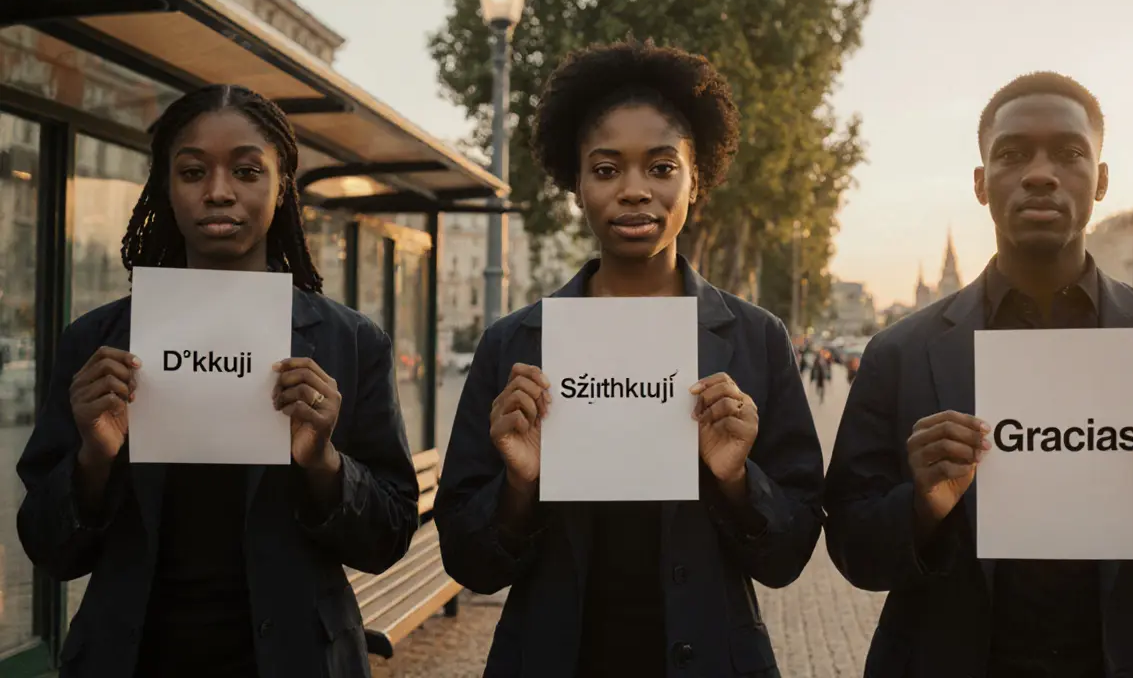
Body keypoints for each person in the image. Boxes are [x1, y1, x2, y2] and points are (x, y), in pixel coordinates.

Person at [823, 72, 1133, 678]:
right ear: (981, 184)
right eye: (1011, 153)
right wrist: (922, 507)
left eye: (1069, 152)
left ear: (1101, 180)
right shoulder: (898, 353)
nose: (1039, 172)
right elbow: (852, 547)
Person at [435, 39, 824, 678]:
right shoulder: (514, 346)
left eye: (662, 167)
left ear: (698, 179)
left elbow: (788, 556)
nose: (635, 190)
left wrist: (734, 478)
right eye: (608, 169)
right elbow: (468, 562)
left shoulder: (756, 339)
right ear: (577, 184)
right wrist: (519, 485)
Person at [16, 84, 418, 678]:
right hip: (133, 658)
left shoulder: (349, 344)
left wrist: (324, 464)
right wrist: (93, 460)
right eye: (193, 171)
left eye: (248, 171)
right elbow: (49, 547)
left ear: (281, 188)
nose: (219, 191)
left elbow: (386, 539)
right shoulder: (97, 344)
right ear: (165, 189)